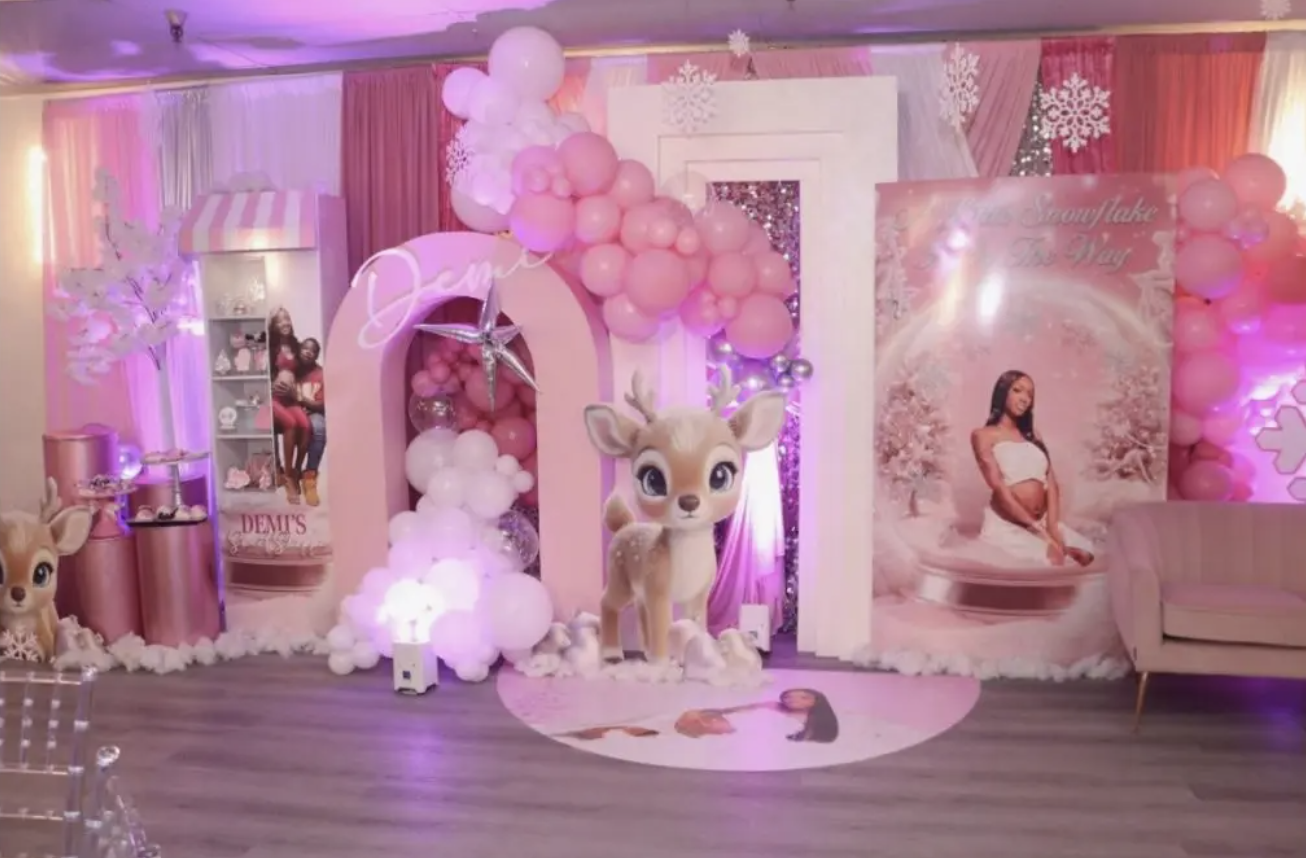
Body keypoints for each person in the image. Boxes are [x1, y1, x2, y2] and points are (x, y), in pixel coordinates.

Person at [970, 370, 1095, 567]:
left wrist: (1052, 527)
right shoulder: (982, 435)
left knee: (1088, 554)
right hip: (1008, 526)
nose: (1024, 399)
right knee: (1053, 559)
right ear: (1002, 393)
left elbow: (1052, 485)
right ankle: (1057, 550)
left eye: (1030, 394)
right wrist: (1040, 532)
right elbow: (999, 488)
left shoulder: (1034, 435)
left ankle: (1064, 549)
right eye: (1018, 390)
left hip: (1043, 522)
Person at [558, 688, 840, 744]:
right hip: (724, 724)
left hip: (728, 731)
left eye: (804, 696)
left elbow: (753, 728)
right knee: (655, 723)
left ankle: (604, 733)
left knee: (661, 729)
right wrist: (713, 713)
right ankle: (598, 732)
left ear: (816, 704)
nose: (793, 697)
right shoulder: (772, 705)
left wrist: (716, 723)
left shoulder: (799, 724)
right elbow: (738, 712)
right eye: (794, 694)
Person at [268, 308, 309, 504]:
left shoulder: (296, 346)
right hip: (274, 399)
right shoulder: (269, 347)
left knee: (307, 426)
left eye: (287, 319)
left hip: (290, 399)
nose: (285, 323)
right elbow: (262, 372)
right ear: (273, 325)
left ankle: (295, 469)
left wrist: (300, 395)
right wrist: (271, 384)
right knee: (290, 423)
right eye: (280, 320)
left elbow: (305, 374)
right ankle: (288, 477)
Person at [294, 338, 326, 508]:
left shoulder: (321, 375)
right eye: (304, 348)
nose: (307, 352)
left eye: (312, 350)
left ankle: (309, 479)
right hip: (292, 413)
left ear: (316, 355)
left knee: (320, 428)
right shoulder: (291, 371)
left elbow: (322, 405)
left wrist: (302, 400)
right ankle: (288, 476)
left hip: (314, 414)